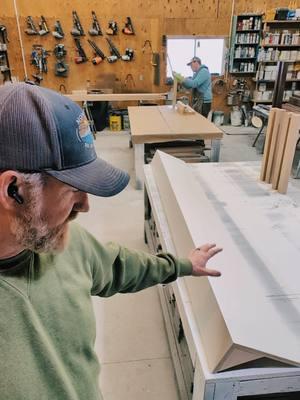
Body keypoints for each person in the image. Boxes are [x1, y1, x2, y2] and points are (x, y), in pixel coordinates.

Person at [0, 82, 222, 400]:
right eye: (71, 190)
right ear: (14, 190)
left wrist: (184, 265)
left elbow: (117, 265)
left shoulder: (64, 243)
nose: (85, 205)